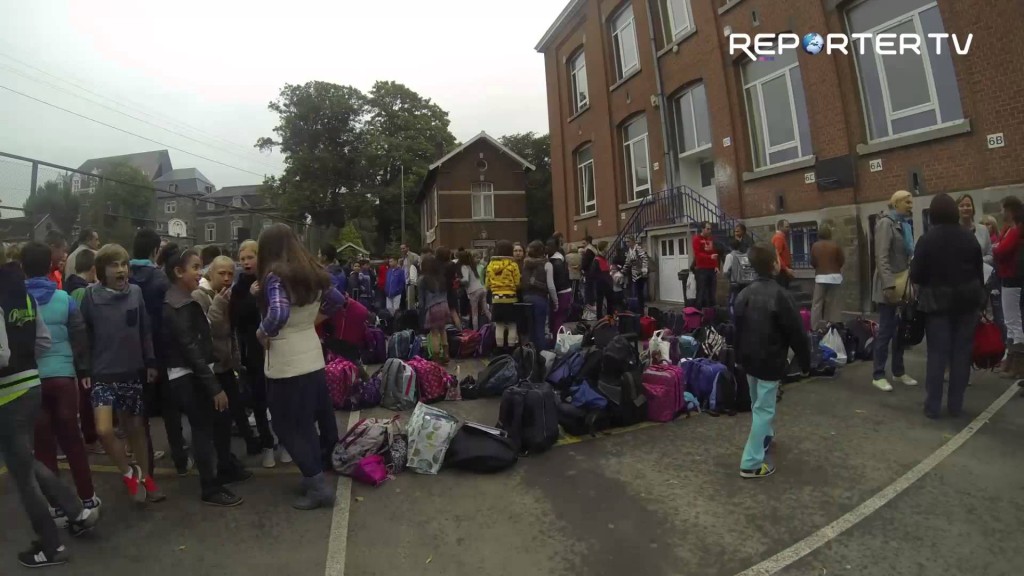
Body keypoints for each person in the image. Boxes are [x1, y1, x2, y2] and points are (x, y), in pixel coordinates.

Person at [0, 244, 100, 568]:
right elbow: (42, 340)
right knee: (27, 462)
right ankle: (76, 510)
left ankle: (51, 545)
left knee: (23, 474)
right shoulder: (21, 293)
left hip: (8, 393)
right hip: (31, 383)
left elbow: (1, 355)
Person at [255, 224, 345, 510]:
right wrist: (309, 323)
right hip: (312, 356)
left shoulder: (275, 276)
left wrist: (262, 332)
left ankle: (317, 484)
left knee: (287, 424)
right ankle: (312, 474)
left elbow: (279, 313)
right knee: (305, 420)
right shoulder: (314, 273)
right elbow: (338, 301)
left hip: (286, 363)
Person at [19, 242, 100, 525]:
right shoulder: (65, 299)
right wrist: (84, 370)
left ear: (22, 268)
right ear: (51, 266)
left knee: (43, 445)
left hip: (32, 380)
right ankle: (88, 498)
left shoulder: (16, 301)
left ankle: (55, 507)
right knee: (72, 440)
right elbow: (80, 339)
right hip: (64, 377)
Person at [162, 247, 249, 506]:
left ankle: (218, 474)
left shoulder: (182, 299)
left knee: (212, 424)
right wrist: (214, 387)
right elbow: (191, 349)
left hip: (193, 374)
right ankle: (210, 487)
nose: (198, 272)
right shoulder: (179, 304)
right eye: (195, 267)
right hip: (189, 376)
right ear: (178, 272)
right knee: (201, 430)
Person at [81, 243, 165, 503]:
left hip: (131, 371)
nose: (121, 270)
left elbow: (145, 330)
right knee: (104, 430)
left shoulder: (136, 293)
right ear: (101, 271)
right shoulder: (90, 297)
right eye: (114, 265)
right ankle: (129, 472)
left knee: (136, 429)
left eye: (123, 264)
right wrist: (83, 367)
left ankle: (146, 478)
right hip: (102, 374)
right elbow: (84, 336)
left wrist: (150, 362)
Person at [733, 243, 810, 479]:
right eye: (778, 258)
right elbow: (797, 332)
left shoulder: (743, 294)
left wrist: (739, 358)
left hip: (749, 361)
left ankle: (764, 438)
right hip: (770, 362)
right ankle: (751, 462)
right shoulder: (781, 296)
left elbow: (736, 329)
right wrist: (805, 362)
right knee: (764, 410)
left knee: (758, 404)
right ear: (774, 264)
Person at [911, 194, 987, 418]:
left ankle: (932, 406)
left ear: (933, 215)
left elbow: (916, 274)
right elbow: (978, 271)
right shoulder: (969, 238)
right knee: (961, 356)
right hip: (967, 303)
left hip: (937, 305)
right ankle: (956, 406)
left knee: (937, 355)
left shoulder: (927, 240)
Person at [193, 255, 261, 457]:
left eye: (230, 273)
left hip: (227, 363)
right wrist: (220, 305)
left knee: (237, 406)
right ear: (210, 273)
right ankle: (220, 459)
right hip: (211, 367)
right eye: (221, 273)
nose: (226, 277)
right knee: (219, 414)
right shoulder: (200, 296)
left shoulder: (226, 294)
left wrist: (236, 359)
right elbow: (205, 330)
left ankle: (248, 443)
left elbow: (232, 331)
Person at [129, 229, 177, 474]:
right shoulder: (160, 280)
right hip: (160, 348)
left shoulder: (123, 276)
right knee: (168, 404)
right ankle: (178, 453)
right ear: (155, 250)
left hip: (129, 350)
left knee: (137, 409)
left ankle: (140, 457)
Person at [230, 240, 278, 468]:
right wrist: (250, 297)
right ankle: (267, 444)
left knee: (279, 398)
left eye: (250, 257)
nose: (246, 262)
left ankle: (285, 442)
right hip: (253, 351)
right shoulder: (239, 286)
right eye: (242, 259)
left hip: (277, 348)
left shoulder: (273, 279)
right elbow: (236, 318)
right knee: (259, 400)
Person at [871, 190, 919, 392]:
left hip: (904, 283)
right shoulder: (885, 223)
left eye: (911, 202)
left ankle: (899, 371)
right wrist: (888, 285)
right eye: (907, 202)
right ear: (897, 203)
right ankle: (878, 374)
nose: (911, 205)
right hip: (889, 284)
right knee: (886, 331)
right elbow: (881, 257)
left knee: (901, 330)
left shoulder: (904, 224)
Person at [993, 196, 1023, 376]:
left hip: (1013, 279)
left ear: (1010, 210)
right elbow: (998, 245)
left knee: (1014, 321)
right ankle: (1011, 361)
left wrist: (997, 247)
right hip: (1007, 278)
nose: (1001, 213)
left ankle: (1018, 365)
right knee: (1010, 321)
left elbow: (1001, 250)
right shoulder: (1009, 229)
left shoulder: (1016, 231)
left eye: (1003, 209)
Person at [485, 240, 521, 353]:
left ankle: (499, 349)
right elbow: (517, 282)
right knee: (512, 323)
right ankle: (511, 348)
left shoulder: (490, 265)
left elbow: (487, 284)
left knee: (499, 324)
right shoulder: (513, 265)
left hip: (496, 299)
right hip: (511, 298)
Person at [521, 240, 556, 350]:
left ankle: (530, 353)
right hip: (540, 298)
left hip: (526, 297)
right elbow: (550, 285)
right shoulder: (547, 264)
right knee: (540, 328)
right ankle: (542, 355)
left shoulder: (525, 264)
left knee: (530, 329)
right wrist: (555, 301)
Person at [809, 224, 845, 329]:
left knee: (817, 304)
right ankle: (833, 327)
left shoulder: (815, 246)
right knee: (834, 303)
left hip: (821, 277)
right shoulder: (835, 246)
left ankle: (814, 328)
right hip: (835, 277)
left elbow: (813, 262)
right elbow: (841, 260)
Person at [419, 254, 451, 362]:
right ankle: (446, 354)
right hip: (444, 305)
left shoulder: (423, 280)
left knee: (434, 333)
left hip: (433, 308)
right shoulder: (441, 277)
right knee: (443, 330)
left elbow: (421, 300)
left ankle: (436, 357)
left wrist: (422, 313)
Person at [957, 194, 993, 265]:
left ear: (973, 208)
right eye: (961, 206)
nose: (965, 208)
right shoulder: (953, 231)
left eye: (968, 205)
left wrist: (979, 260)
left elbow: (990, 255)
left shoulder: (983, 229)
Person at [547, 238, 572, 336]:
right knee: (558, 318)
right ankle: (556, 339)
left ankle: (556, 340)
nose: (547, 248)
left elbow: (557, 282)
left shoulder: (555, 263)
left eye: (549, 246)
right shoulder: (559, 261)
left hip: (561, 293)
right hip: (564, 291)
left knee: (558, 317)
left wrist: (554, 297)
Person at [722, 238, 753, 311]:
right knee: (745, 303)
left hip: (735, 283)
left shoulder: (730, 256)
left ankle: (734, 320)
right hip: (746, 283)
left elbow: (725, 271)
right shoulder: (745, 255)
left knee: (732, 303)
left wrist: (729, 278)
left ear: (730, 247)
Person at [458, 250, 487, 329]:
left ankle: (475, 332)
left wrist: (458, 280)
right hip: (482, 288)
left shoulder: (465, 267)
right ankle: (493, 327)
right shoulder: (475, 266)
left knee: (474, 314)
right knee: (486, 311)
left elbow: (466, 280)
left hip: (473, 291)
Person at [692, 222, 719, 308]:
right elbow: (698, 254)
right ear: (702, 229)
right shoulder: (696, 239)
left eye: (710, 229)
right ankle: (699, 312)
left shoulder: (710, 239)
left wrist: (716, 266)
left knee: (712, 291)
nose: (709, 231)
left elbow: (714, 253)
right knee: (701, 291)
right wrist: (709, 257)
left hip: (711, 269)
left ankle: (712, 312)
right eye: (707, 229)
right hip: (702, 269)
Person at [436, 247, 463, 330]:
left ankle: (443, 335)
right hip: (451, 290)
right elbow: (457, 276)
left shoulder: (437, 265)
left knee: (439, 314)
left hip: (440, 292)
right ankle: (460, 332)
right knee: (454, 312)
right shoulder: (452, 264)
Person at [624, 235, 650, 312]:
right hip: (634, 274)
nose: (627, 243)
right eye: (626, 242)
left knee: (639, 293)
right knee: (636, 293)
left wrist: (644, 268)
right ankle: (637, 309)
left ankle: (641, 310)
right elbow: (627, 262)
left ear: (633, 241)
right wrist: (622, 272)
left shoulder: (638, 248)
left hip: (640, 274)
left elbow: (645, 258)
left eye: (628, 241)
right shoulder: (629, 250)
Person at [591, 241, 615, 318]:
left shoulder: (603, 258)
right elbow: (594, 273)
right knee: (600, 302)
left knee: (610, 301)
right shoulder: (597, 260)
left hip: (607, 283)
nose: (608, 248)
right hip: (601, 284)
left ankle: (609, 316)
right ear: (604, 248)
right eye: (607, 247)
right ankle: (600, 318)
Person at [771, 220, 793, 289]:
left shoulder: (781, 237)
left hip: (783, 270)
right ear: (780, 227)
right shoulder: (778, 238)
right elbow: (777, 255)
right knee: (783, 290)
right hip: (782, 271)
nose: (788, 229)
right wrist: (786, 269)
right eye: (786, 227)